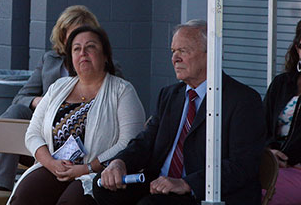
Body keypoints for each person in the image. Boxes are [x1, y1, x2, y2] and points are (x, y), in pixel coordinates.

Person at [94, 20, 266, 205]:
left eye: (183, 51)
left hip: (204, 193)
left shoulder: (243, 100)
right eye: (173, 51)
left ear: (211, 55)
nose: (175, 58)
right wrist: (120, 162)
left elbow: (243, 165)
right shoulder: (170, 95)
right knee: (102, 186)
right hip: (159, 185)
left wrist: (186, 183)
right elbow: (145, 142)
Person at [8, 24, 145, 204]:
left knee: (72, 201)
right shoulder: (58, 87)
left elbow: (129, 142)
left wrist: (87, 168)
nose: (83, 53)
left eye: (90, 47)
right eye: (76, 49)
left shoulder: (122, 91)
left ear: (105, 56)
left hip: (99, 173)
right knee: (26, 194)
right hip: (54, 167)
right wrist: (51, 163)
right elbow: (33, 134)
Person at [0, 5, 101, 191]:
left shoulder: (103, 64)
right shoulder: (50, 61)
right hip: (42, 137)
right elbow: (21, 97)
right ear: (63, 36)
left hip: (81, 139)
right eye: (72, 34)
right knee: (14, 112)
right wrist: (42, 102)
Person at [262, 19, 301, 205]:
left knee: (261, 195)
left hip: (297, 171)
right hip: (270, 165)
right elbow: (260, 126)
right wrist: (269, 151)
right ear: (297, 48)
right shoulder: (282, 84)